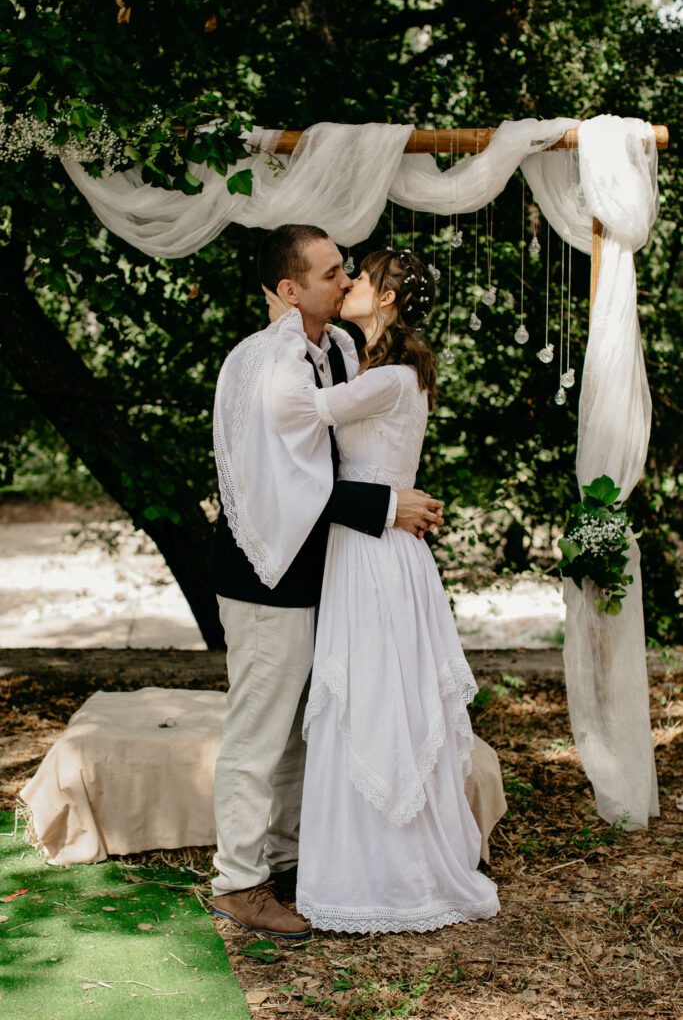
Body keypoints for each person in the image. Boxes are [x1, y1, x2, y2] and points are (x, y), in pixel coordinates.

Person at [210, 225, 444, 939]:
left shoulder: (337, 351)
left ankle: (279, 860)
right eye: (330, 274)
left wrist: (384, 494)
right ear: (289, 291)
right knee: (259, 730)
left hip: (329, 571)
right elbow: (276, 476)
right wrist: (382, 506)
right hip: (265, 576)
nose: (344, 283)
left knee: (301, 730)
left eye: (348, 272)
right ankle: (236, 881)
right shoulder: (262, 362)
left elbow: (345, 455)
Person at [266, 248, 500, 932]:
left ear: (389, 299)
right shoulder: (381, 368)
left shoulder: (392, 377)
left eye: (361, 278)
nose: (350, 285)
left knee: (375, 700)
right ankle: (360, 864)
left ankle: (390, 875)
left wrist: (283, 326)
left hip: (374, 555)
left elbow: (300, 411)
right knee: (368, 698)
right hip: (370, 546)